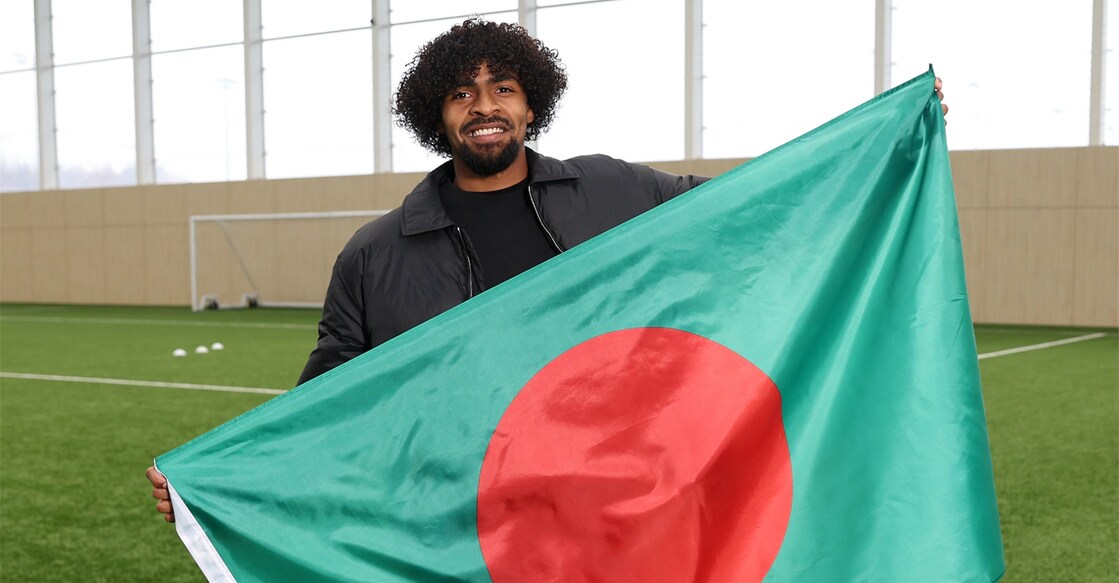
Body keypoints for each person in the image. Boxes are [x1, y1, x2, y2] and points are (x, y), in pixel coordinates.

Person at [148, 18, 948, 523]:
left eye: (503, 88)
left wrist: (885, 147)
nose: (483, 104)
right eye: (461, 93)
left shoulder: (612, 188)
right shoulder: (375, 252)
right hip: (464, 511)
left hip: (618, 494)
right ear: (437, 115)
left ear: (533, 107)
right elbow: (326, 396)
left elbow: (751, 209)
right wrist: (217, 473)